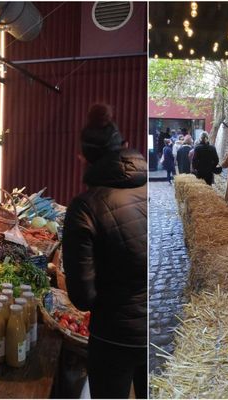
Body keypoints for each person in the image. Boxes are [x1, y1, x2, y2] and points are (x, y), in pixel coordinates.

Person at [62, 104, 147, 400]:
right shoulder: (154, 189)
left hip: (113, 337)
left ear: (82, 158)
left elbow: (83, 297)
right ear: (124, 146)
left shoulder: (85, 207)